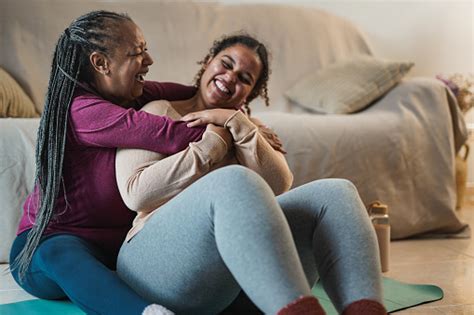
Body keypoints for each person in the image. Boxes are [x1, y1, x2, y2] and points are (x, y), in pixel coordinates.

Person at [115, 34, 388, 315]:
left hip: (233, 285)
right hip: (155, 264)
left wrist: (238, 124)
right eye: (226, 64)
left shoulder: (249, 130)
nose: (230, 77)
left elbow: (279, 186)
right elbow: (137, 194)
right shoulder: (159, 111)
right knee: (234, 179)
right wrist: (214, 141)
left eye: (245, 78)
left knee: (336, 192)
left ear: (251, 94)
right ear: (208, 63)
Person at [9, 10, 212, 315]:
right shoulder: (82, 110)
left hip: (117, 247)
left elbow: (198, 96)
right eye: (138, 52)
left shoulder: (132, 95)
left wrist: (230, 106)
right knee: (58, 252)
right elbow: (173, 136)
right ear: (101, 63)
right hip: (46, 247)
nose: (149, 60)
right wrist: (230, 125)